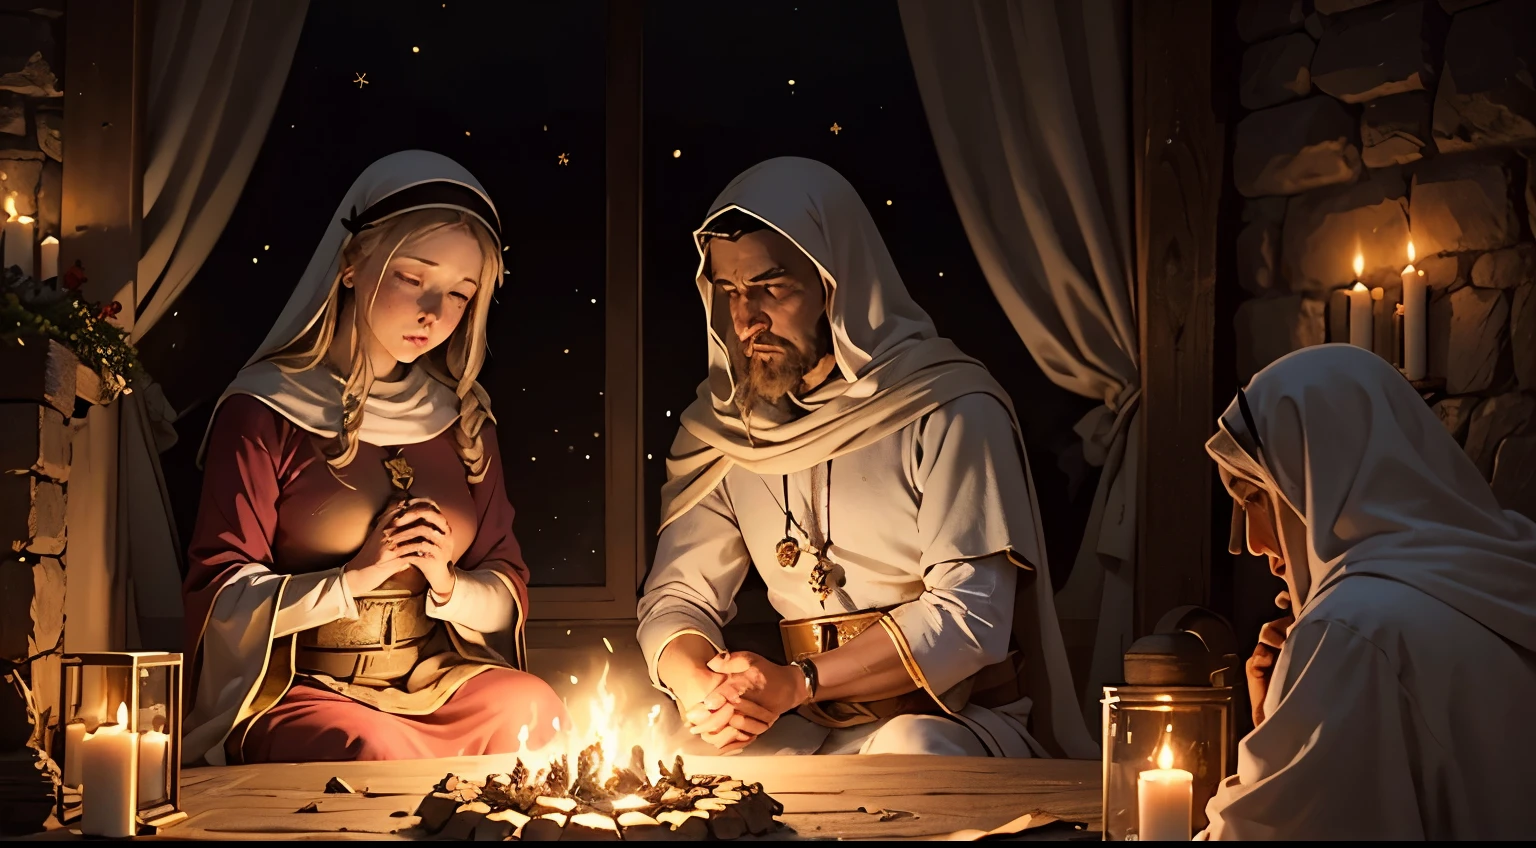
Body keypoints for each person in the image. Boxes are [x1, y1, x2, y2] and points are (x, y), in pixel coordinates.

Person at [636, 157, 1096, 759]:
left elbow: (970, 617)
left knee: (910, 749)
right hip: (803, 720)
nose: (745, 320)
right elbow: (678, 598)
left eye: (770, 287)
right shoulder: (725, 430)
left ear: (838, 281)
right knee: (678, 760)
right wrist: (699, 686)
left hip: (951, 717)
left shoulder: (949, 407)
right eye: (727, 292)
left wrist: (795, 683)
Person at [181, 150, 567, 765]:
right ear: (353, 265)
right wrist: (353, 577)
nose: (434, 312)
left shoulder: (462, 417)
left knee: (533, 707)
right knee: (370, 749)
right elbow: (220, 593)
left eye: (460, 294)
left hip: (430, 680)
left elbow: (506, 585)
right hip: (306, 687)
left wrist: (446, 580)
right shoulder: (264, 409)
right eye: (413, 279)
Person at [1201, 344, 1536, 840]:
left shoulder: (1348, 632)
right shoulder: (1509, 572)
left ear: (1324, 472)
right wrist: (1282, 720)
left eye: (1255, 497)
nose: (1253, 543)